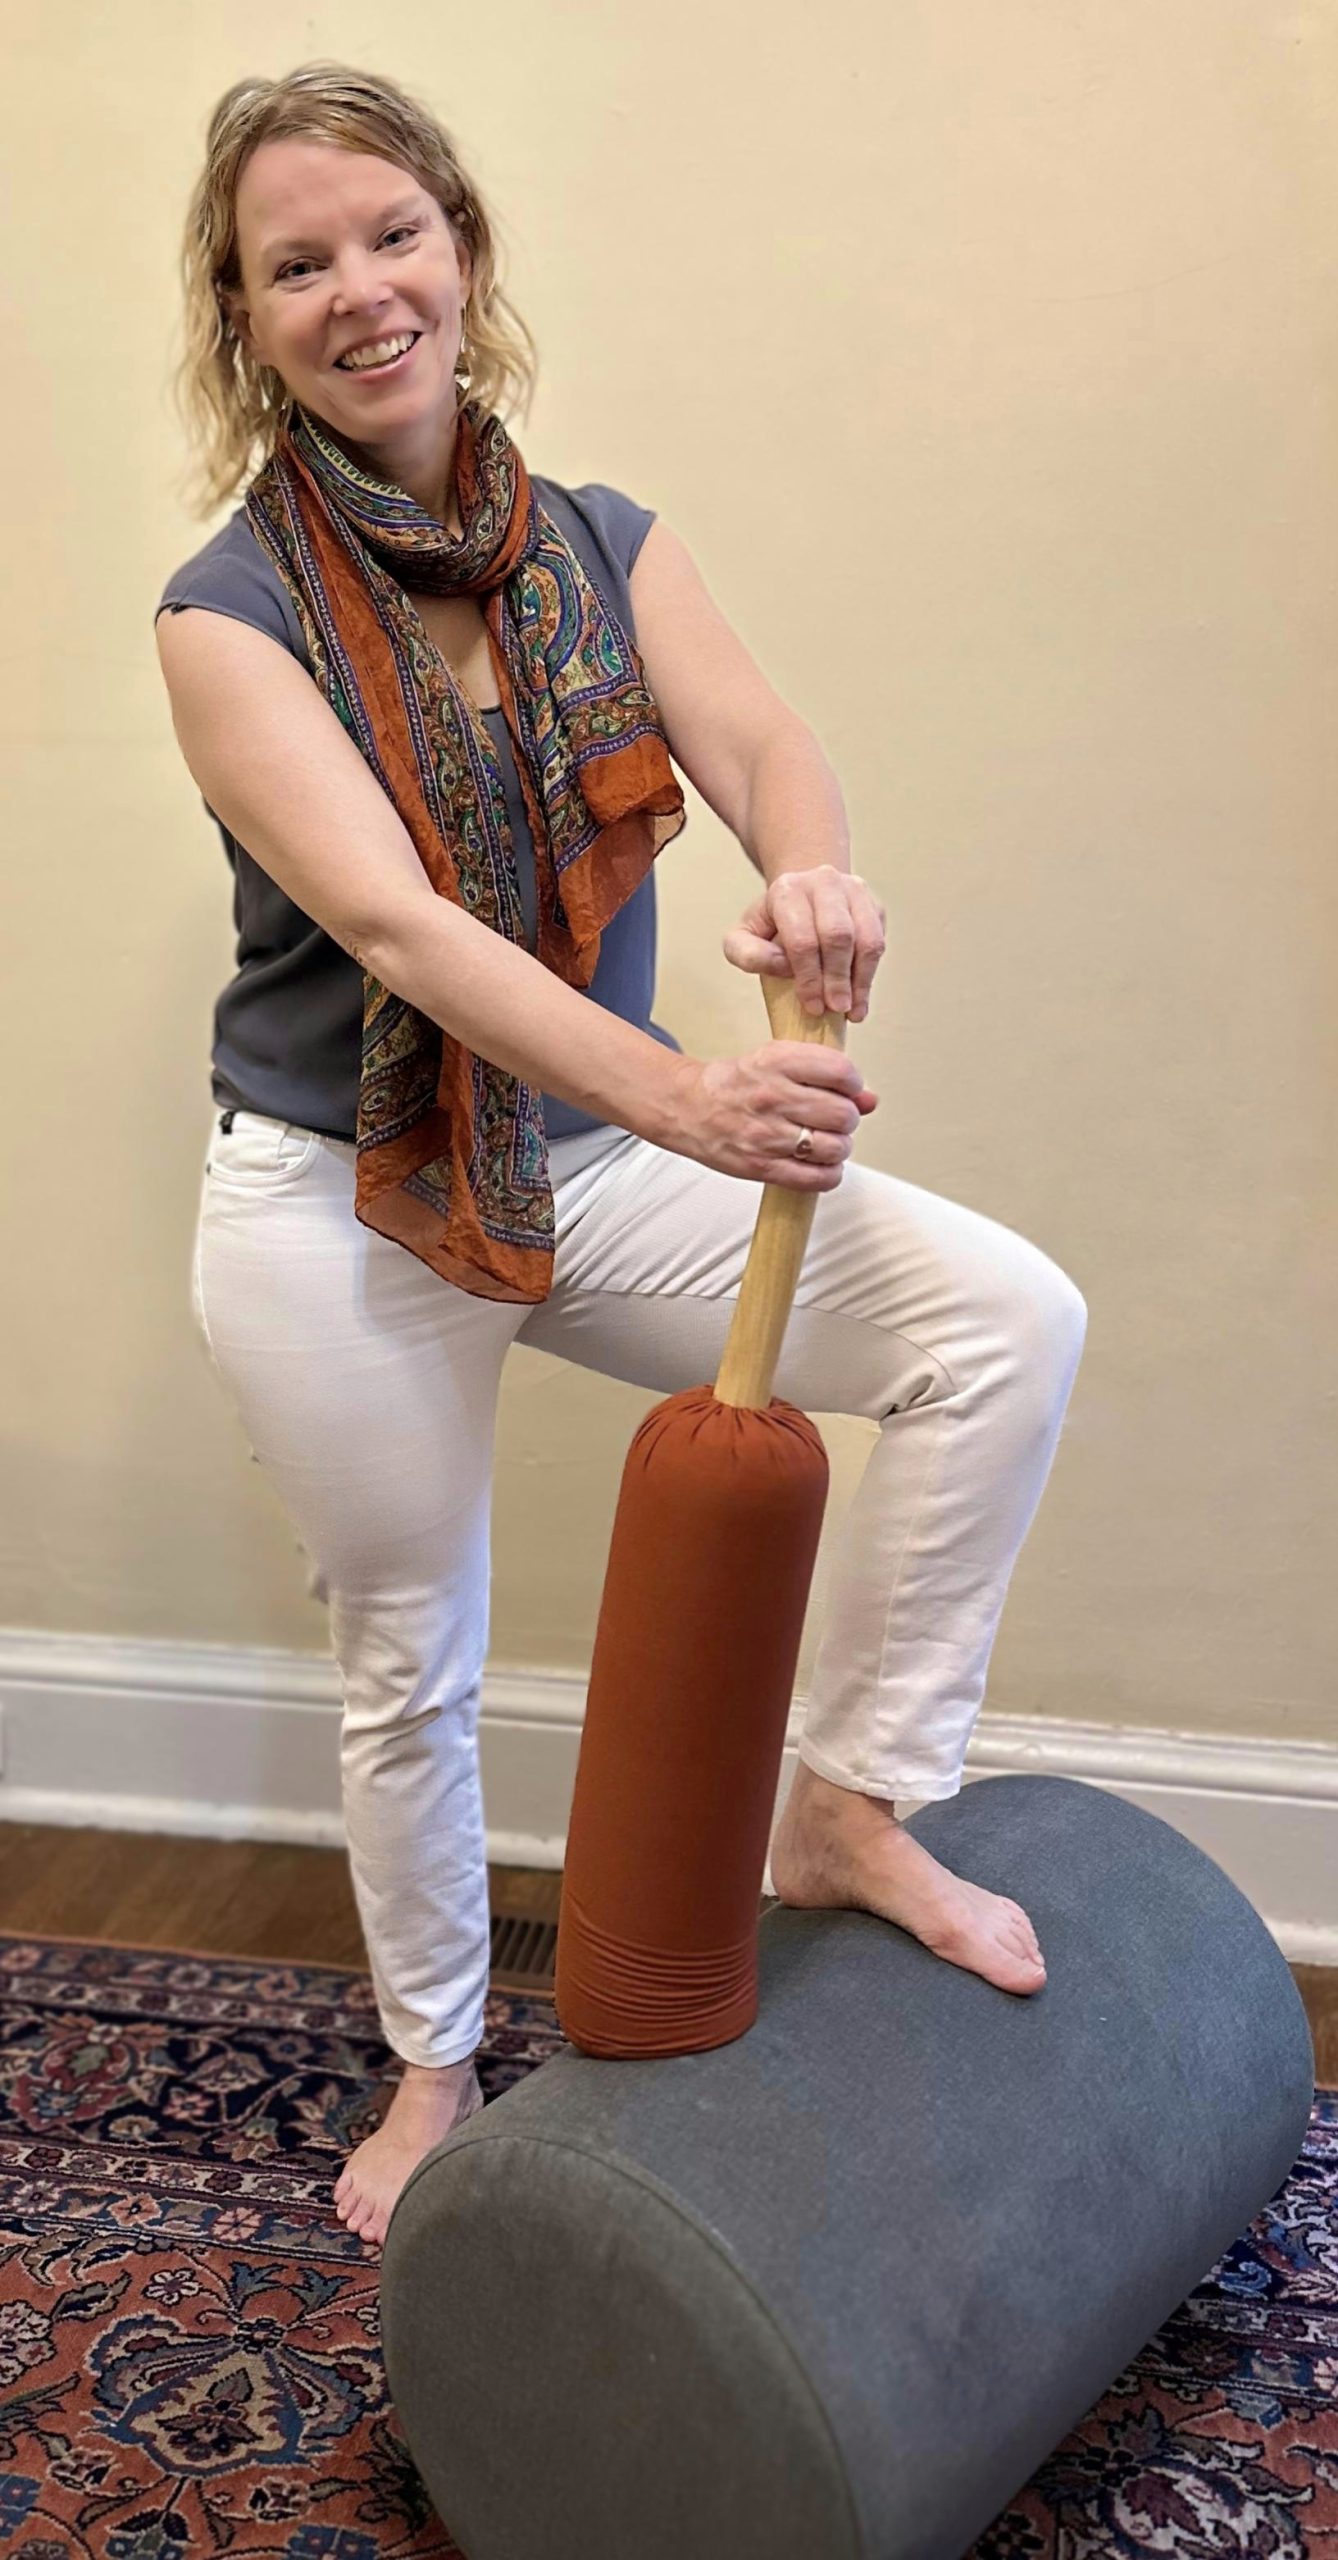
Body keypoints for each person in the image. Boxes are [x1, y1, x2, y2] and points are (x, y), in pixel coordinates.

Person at [154, 62, 1087, 2252]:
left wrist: (815, 871)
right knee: (417, 1641)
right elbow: (394, 921)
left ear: (462, 246)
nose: (360, 289)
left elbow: (754, 739)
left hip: (576, 1151)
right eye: (298, 264)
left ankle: (849, 1810)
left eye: (393, 233)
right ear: (244, 315)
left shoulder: (595, 536)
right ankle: (432, 2052)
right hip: (341, 1191)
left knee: (1002, 1323)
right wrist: (692, 1095)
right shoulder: (224, 614)